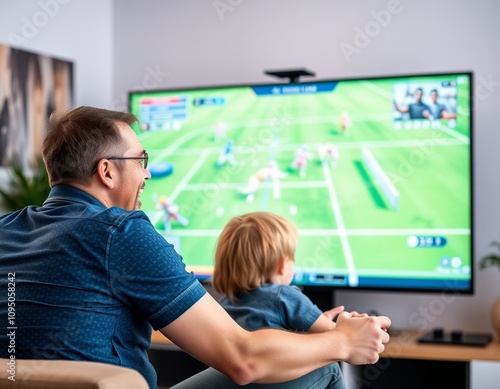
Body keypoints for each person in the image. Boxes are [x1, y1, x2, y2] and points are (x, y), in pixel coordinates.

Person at [0, 106, 391, 389]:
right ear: (106, 171)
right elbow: (243, 359)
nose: (148, 172)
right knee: (320, 367)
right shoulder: (120, 232)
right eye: (141, 160)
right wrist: (344, 340)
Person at [200, 211, 364, 388]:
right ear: (281, 265)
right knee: (330, 367)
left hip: (231, 382)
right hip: (271, 381)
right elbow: (334, 336)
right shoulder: (283, 295)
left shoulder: (224, 303)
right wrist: (350, 325)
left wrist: (314, 319)